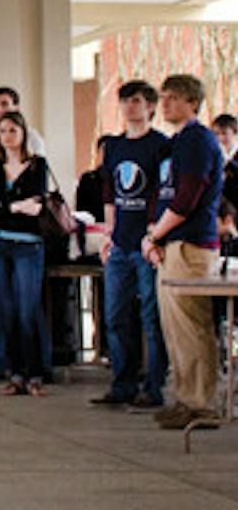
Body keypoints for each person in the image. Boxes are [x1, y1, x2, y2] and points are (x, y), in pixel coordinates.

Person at [145, 74, 227, 431]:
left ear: (193, 102)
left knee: (193, 326)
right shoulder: (174, 143)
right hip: (170, 243)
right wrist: (155, 237)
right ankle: (185, 396)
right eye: (163, 98)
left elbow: (187, 197)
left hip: (191, 244)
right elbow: (162, 193)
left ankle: (202, 401)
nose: (165, 104)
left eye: (174, 98)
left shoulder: (197, 141)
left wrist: (156, 234)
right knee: (174, 329)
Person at [93, 81, 169, 410]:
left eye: (136, 101)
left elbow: (161, 192)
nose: (130, 107)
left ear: (150, 106)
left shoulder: (161, 145)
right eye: (125, 101)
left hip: (147, 242)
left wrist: (153, 235)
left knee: (151, 317)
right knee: (115, 315)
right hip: (121, 241)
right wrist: (108, 234)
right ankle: (122, 383)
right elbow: (109, 191)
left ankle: (153, 386)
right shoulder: (113, 146)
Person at [0, 111, 52, 397]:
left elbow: (38, 206)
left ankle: (35, 373)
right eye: (2, 131)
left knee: (28, 309)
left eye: (12, 130)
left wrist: (8, 206)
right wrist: (14, 206)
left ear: (23, 133)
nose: (7, 136)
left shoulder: (37, 166)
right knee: (4, 310)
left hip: (29, 245)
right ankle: (14, 374)